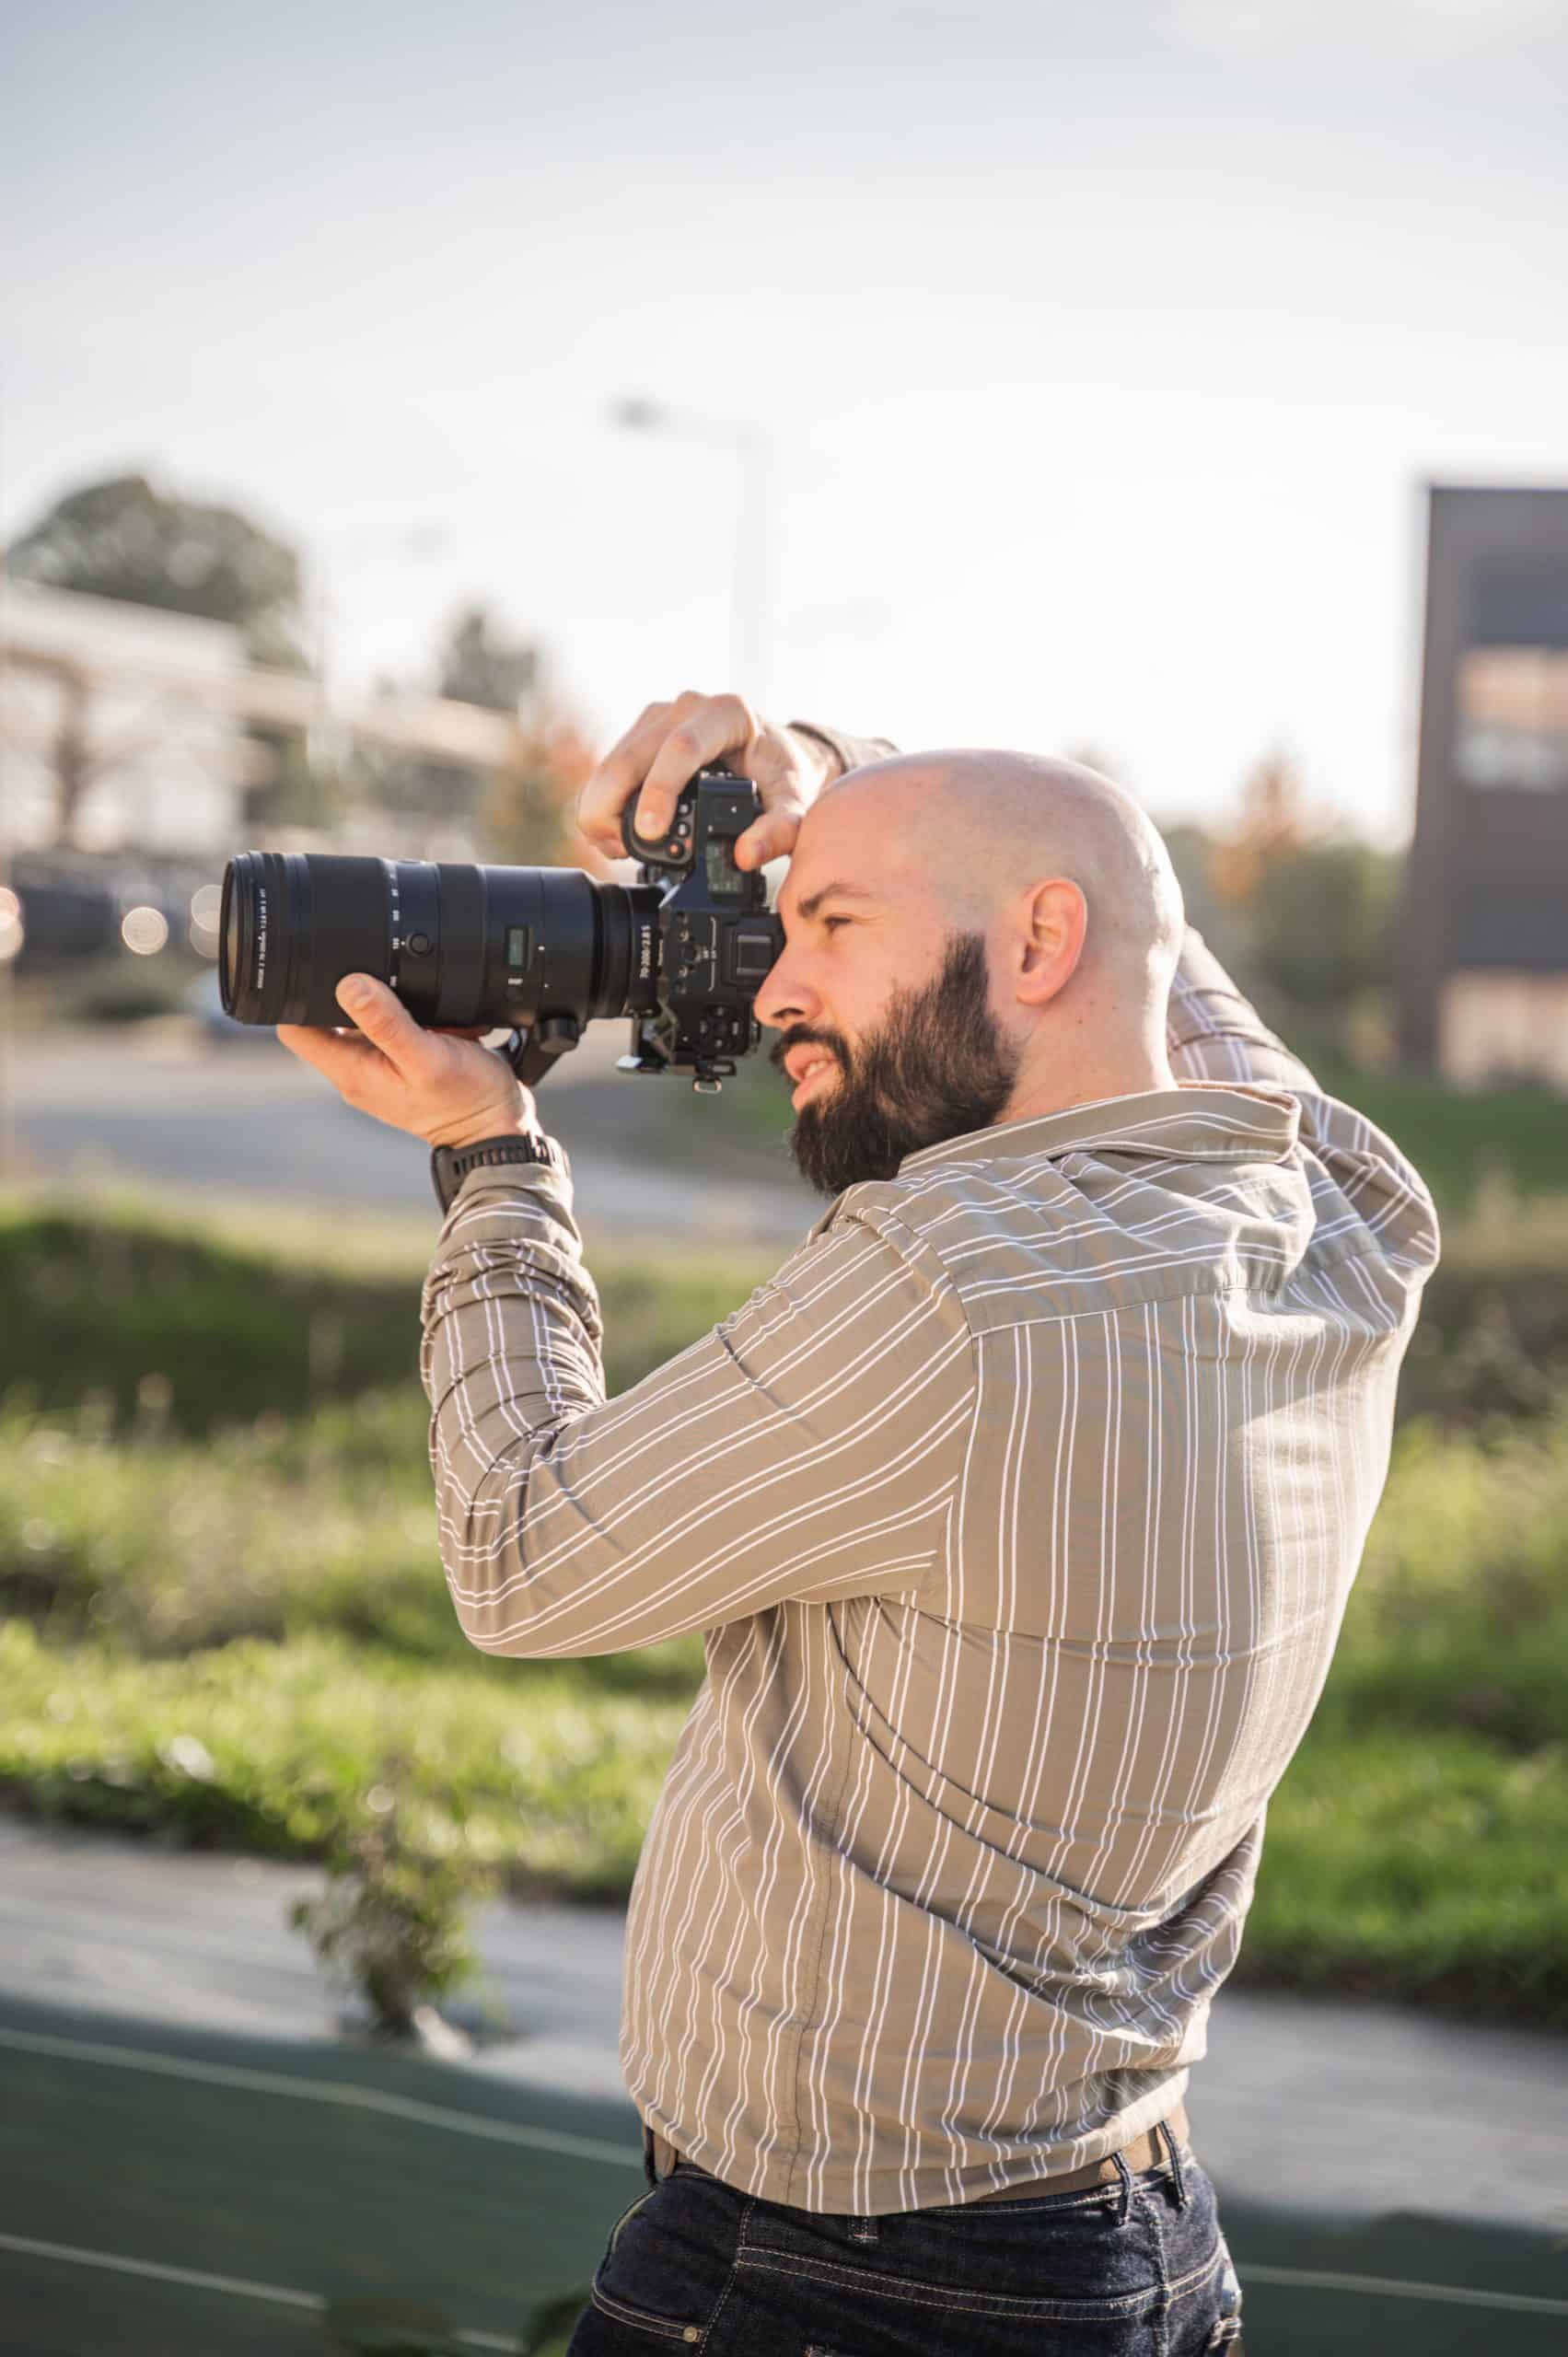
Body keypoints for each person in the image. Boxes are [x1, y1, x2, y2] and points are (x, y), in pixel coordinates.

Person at [278, 691, 1440, 2356]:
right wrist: (836, 783)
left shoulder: (954, 1281)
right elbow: (1149, 933)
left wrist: (489, 1155)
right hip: (1136, 2247)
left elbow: (520, 1557)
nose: (771, 990)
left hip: (841, 2282)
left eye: (827, 923)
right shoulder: (1345, 1205)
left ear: (1039, 941)